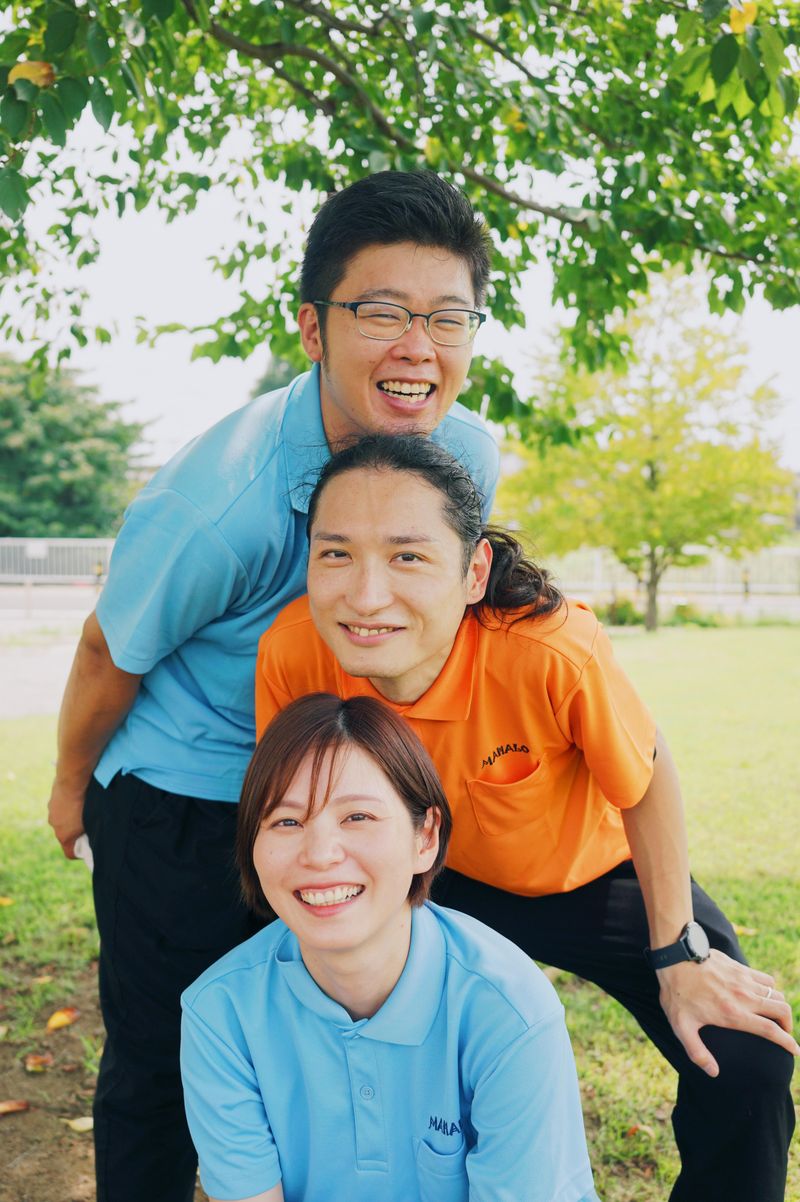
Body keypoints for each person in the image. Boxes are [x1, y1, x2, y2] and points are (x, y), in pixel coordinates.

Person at [46, 172, 500, 1202]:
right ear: (312, 326)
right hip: (186, 801)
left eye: (445, 317)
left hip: (344, 793)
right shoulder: (220, 500)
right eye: (380, 312)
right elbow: (107, 649)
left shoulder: (467, 457)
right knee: (165, 1062)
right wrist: (71, 787)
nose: (416, 347)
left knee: (328, 1048)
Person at [255, 433, 798, 1202]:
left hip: (590, 875)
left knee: (744, 1056)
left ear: (473, 572)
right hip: (428, 882)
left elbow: (646, 778)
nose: (366, 595)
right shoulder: (293, 652)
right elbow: (301, 817)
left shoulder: (550, 649)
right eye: (336, 554)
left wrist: (680, 952)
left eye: (408, 556)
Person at [180, 692, 600, 1202]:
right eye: (287, 822)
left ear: (425, 837)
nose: (320, 855)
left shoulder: (509, 1010)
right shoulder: (220, 1014)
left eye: (357, 816)